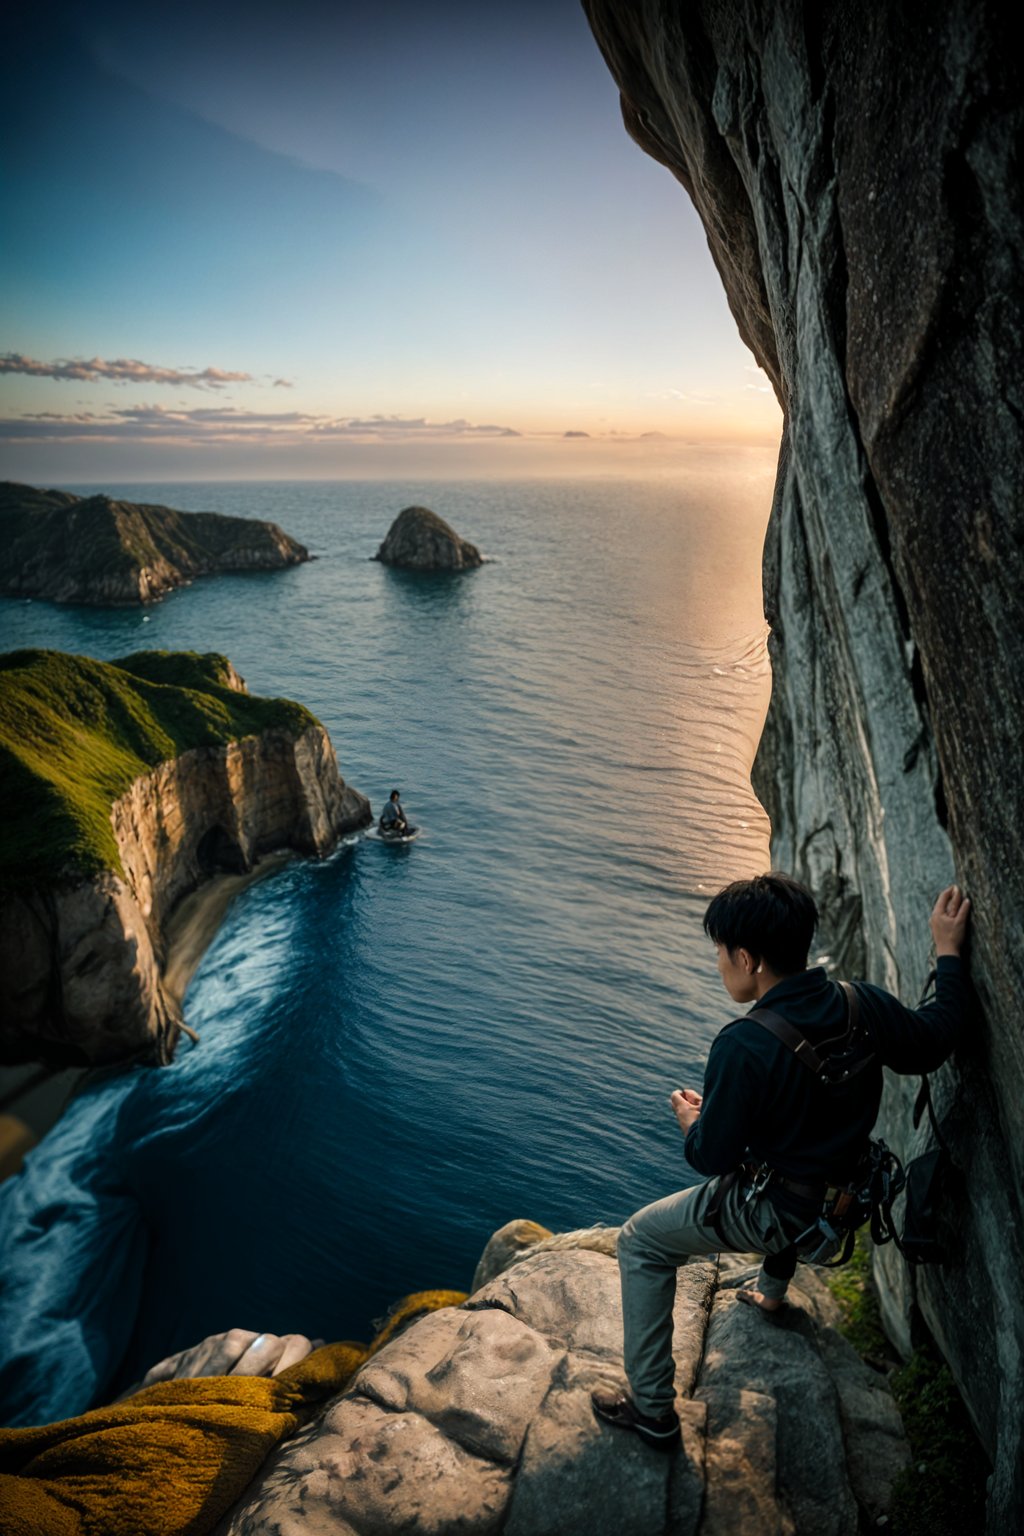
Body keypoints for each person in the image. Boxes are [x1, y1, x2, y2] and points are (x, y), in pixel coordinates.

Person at [592, 871, 974, 1452]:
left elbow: (712, 1158)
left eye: (721, 953)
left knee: (641, 1241)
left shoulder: (743, 1044)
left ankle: (652, 1412)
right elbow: (936, 1038)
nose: (719, 964)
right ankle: (771, 1290)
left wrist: (693, 1122)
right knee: (794, 1152)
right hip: (845, 1206)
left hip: (784, 1214)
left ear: (748, 959)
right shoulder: (859, 1003)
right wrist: (948, 952)